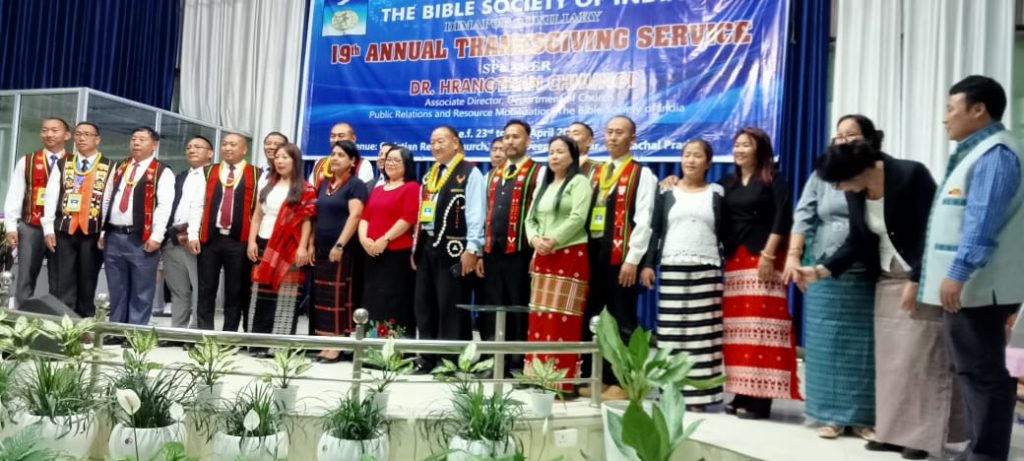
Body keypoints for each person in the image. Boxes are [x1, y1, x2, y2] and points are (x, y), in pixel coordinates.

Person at [795, 140, 965, 460]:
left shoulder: (910, 175)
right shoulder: (856, 192)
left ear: (856, 172)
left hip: (918, 277)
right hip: (886, 277)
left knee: (920, 361)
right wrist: (821, 270)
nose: (837, 189)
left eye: (838, 182)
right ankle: (892, 432)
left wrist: (917, 278)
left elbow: (934, 230)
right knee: (890, 363)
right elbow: (857, 241)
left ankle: (921, 438)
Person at [920, 75, 1023, 461]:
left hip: (977, 286)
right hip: (972, 285)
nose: (945, 117)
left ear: (979, 110)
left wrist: (958, 273)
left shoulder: (995, 154)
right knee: (975, 369)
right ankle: (979, 449)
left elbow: (982, 222)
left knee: (983, 371)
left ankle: (987, 454)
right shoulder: (979, 151)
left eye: (951, 108)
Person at [782, 115, 880, 440]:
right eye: (839, 136)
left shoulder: (875, 172)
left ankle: (864, 418)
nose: (844, 141)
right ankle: (829, 416)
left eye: (852, 135)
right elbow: (804, 214)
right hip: (822, 265)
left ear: (868, 140)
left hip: (864, 269)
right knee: (826, 344)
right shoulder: (822, 173)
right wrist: (794, 255)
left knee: (863, 347)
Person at [718, 127, 799, 419]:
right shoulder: (727, 182)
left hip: (764, 258)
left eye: (746, 145)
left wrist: (769, 254)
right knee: (739, 331)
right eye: (737, 145)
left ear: (760, 149)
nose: (739, 150)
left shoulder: (773, 178)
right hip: (735, 260)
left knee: (763, 327)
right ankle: (742, 390)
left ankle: (762, 398)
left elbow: (783, 217)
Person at [640, 139, 724, 412]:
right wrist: (649, 264)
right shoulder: (666, 191)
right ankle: (670, 391)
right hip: (672, 265)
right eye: (686, 155)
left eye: (697, 156)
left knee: (702, 335)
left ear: (708, 162)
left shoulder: (717, 193)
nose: (690, 160)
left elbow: (724, 232)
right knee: (672, 333)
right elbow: (655, 230)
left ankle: (700, 397)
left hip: (707, 268)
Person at [580, 115, 656, 401]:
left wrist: (633, 259)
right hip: (594, 256)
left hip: (622, 258)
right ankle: (598, 377)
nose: (612, 137)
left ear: (632, 138)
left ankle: (624, 381)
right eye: (609, 132)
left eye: (619, 133)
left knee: (622, 318)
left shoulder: (641, 174)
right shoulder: (596, 172)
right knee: (593, 318)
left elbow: (644, 220)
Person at [412, 125, 485, 373]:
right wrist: (416, 248)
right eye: (432, 142)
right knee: (425, 303)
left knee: (451, 304)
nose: (436, 146)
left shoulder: (470, 172)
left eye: (441, 141)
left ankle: (451, 360)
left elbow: (476, 213)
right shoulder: (430, 175)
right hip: (428, 246)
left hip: (455, 248)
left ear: (455, 143)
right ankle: (427, 357)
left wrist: (472, 248)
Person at [524, 135, 592, 398]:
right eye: (551, 152)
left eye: (560, 152)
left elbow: (578, 217)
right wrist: (535, 240)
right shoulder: (544, 184)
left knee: (563, 321)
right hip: (543, 256)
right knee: (540, 318)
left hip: (569, 255)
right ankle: (537, 377)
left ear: (572, 156)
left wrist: (554, 239)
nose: (554, 156)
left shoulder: (579, 182)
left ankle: (562, 382)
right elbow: (530, 219)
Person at [476, 119, 542, 376]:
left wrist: (536, 253)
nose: (510, 141)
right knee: (495, 307)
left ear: (528, 141)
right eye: (507, 137)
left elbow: (540, 215)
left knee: (519, 307)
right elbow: (484, 214)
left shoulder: (538, 172)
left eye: (516, 136)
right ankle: (497, 362)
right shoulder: (493, 174)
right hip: (493, 252)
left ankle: (522, 362)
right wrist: (480, 252)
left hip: (521, 253)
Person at [247, 143, 316, 357]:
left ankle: (279, 347)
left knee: (286, 298)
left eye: (285, 157)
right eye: (277, 157)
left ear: (295, 161)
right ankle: (258, 345)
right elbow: (257, 216)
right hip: (264, 244)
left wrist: (303, 247)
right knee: (261, 296)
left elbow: (307, 221)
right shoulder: (267, 185)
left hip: (289, 248)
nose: (279, 161)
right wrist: (251, 241)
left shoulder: (306, 189)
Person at [101, 127, 174, 327]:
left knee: (141, 290)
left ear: (154, 145)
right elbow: (107, 198)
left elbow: (165, 206)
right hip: (114, 234)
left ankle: (135, 332)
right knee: (117, 287)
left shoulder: (162, 171)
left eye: (142, 139)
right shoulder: (120, 166)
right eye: (133, 139)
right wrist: (102, 230)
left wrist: (157, 236)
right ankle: (116, 329)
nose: (136, 143)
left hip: (141, 237)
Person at [42, 122, 115, 317]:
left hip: (92, 232)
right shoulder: (64, 163)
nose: (82, 138)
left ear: (97, 139)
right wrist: (48, 228)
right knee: (61, 280)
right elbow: (51, 196)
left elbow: (108, 200)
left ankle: (83, 323)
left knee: (87, 281)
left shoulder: (109, 166)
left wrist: (105, 230)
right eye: (78, 134)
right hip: (63, 229)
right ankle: (61, 321)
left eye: (87, 134)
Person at [197, 133, 260, 332]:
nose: (228, 148)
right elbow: (197, 204)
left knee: (235, 291)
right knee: (206, 289)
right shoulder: (208, 171)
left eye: (233, 144)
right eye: (224, 144)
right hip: (210, 239)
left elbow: (259, 212)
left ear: (244, 149)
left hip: (239, 241)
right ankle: (204, 335)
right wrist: (193, 234)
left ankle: (229, 335)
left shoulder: (257, 174)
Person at [4, 117, 70, 305]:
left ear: (67, 135)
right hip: (31, 226)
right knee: (25, 276)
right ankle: (22, 314)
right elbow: (15, 194)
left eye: (55, 130)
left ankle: (58, 317)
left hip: (61, 229)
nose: (49, 134)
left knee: (60, 278)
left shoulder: (74, 163)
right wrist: (11, 227)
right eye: (45, 130)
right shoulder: (28, 161)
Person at [311, 141, 366, 362]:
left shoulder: (355, 184)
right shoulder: (324, 184)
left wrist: (340, 244)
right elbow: (316, 216)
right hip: (321, 248)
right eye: (332, 154)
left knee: (337, 297)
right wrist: (311, 244)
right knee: (323, 298)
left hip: (342, 249)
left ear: (352, 161)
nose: (334, 158)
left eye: (341, 155)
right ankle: (325, 343)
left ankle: (337, 345)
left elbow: (355, 216)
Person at [359, 145, 418, 338]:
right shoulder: (377, 189)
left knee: (394, 301)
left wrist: (385, 239)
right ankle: (372, 346)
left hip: (396, 255)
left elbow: (408, 218)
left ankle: (395, 349)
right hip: (372, 253)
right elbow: (365, 217)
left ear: (406, 164)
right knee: (373, 300)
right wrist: (364, 240)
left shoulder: (411, 187)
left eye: (396, 160)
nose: (390, 164)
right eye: (388, 160)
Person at [161, 135, 212, 339]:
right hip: (173, 237)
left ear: (210, 153)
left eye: (198, 147)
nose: (192, 150)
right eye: (189, 147)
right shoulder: (180, 176)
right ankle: (177, 331)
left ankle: (195, 331)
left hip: (197, 240)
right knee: (178, 288)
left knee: (200, 288)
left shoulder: (214, 176)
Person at [309, 122, 374, 187]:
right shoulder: (319, 163)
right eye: (333, 136)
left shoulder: (363, 165)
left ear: (353, 139)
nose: (336, 140)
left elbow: (362, 191)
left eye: (341, 136)